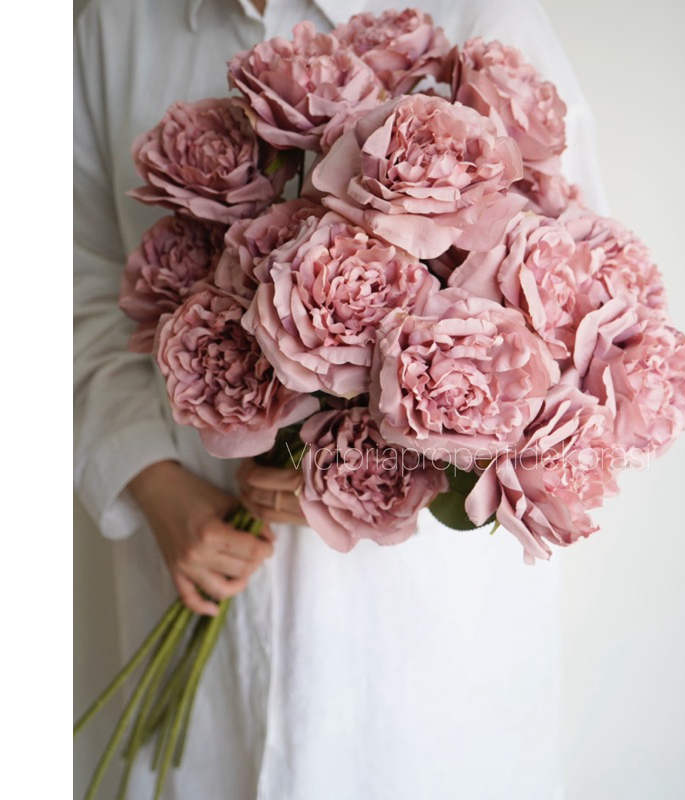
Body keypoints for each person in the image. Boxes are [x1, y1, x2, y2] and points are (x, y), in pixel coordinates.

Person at [74, 0, 609, 797]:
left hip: (419, 665)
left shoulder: (483, 15)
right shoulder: (113, 24)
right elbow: (69, 280)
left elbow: (574, 303)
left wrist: (361, 471)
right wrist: (149, 480)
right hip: (197, 569)